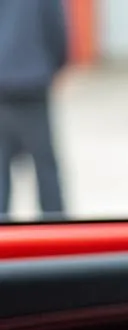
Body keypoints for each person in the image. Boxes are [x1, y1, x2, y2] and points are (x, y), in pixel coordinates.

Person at [0, 0, 68, 218]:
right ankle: (57, 234)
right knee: (46, 168)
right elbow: (56, 30)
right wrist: (54, 66)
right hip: (33, 83)